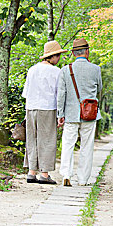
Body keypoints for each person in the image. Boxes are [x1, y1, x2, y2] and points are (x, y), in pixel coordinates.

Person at [57, 38, 102, 187]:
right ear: (87, 52)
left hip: (70, 114)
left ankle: (66, 174)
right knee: (86, 146)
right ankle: (83, 179)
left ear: (73, 53)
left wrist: (60, 114)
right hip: (90, 113)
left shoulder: (65, 70)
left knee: (68, 144)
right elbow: (99, 88)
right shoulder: (96, 69)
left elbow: (61, 94)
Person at [22, 40, 65, 184]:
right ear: (52, 56)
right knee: (46, 140)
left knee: (32, 138)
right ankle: (44, 174)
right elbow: (59, 94)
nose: (59, 58)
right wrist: (60, 115)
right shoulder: (56, 72)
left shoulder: (32, 69)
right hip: (47, 108)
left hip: (31, 107)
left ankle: (31, 172)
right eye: (58, 55)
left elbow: (26, 93)